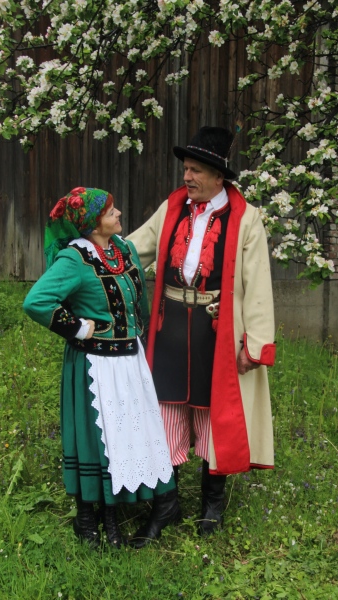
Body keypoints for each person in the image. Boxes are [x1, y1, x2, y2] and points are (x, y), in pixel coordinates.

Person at [127, 126, 276, 535]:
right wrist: (96, 254)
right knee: (166, 411)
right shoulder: (173, 207)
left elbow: (258, 284)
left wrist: (255, 343)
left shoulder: (246, 219)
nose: (186, 177)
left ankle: (212, 504)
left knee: (214, 413)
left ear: (218, 175)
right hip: (170, 329)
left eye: (195, 170)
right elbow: (136, 247)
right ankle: (167, 505)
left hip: (217, 332)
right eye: (186, 169)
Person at [23, 187, 180, 549]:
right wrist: (77, 327)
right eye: (111, 211)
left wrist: (144, 339)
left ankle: (119, 509)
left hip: (130, 362)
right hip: (95, 366)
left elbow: (139, 302)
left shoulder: (123, 249)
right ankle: (87, 516)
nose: (119, 213)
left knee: (126, 435)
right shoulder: (74, 259)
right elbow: (36, 301)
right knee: (97, 438)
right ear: (93, 224)